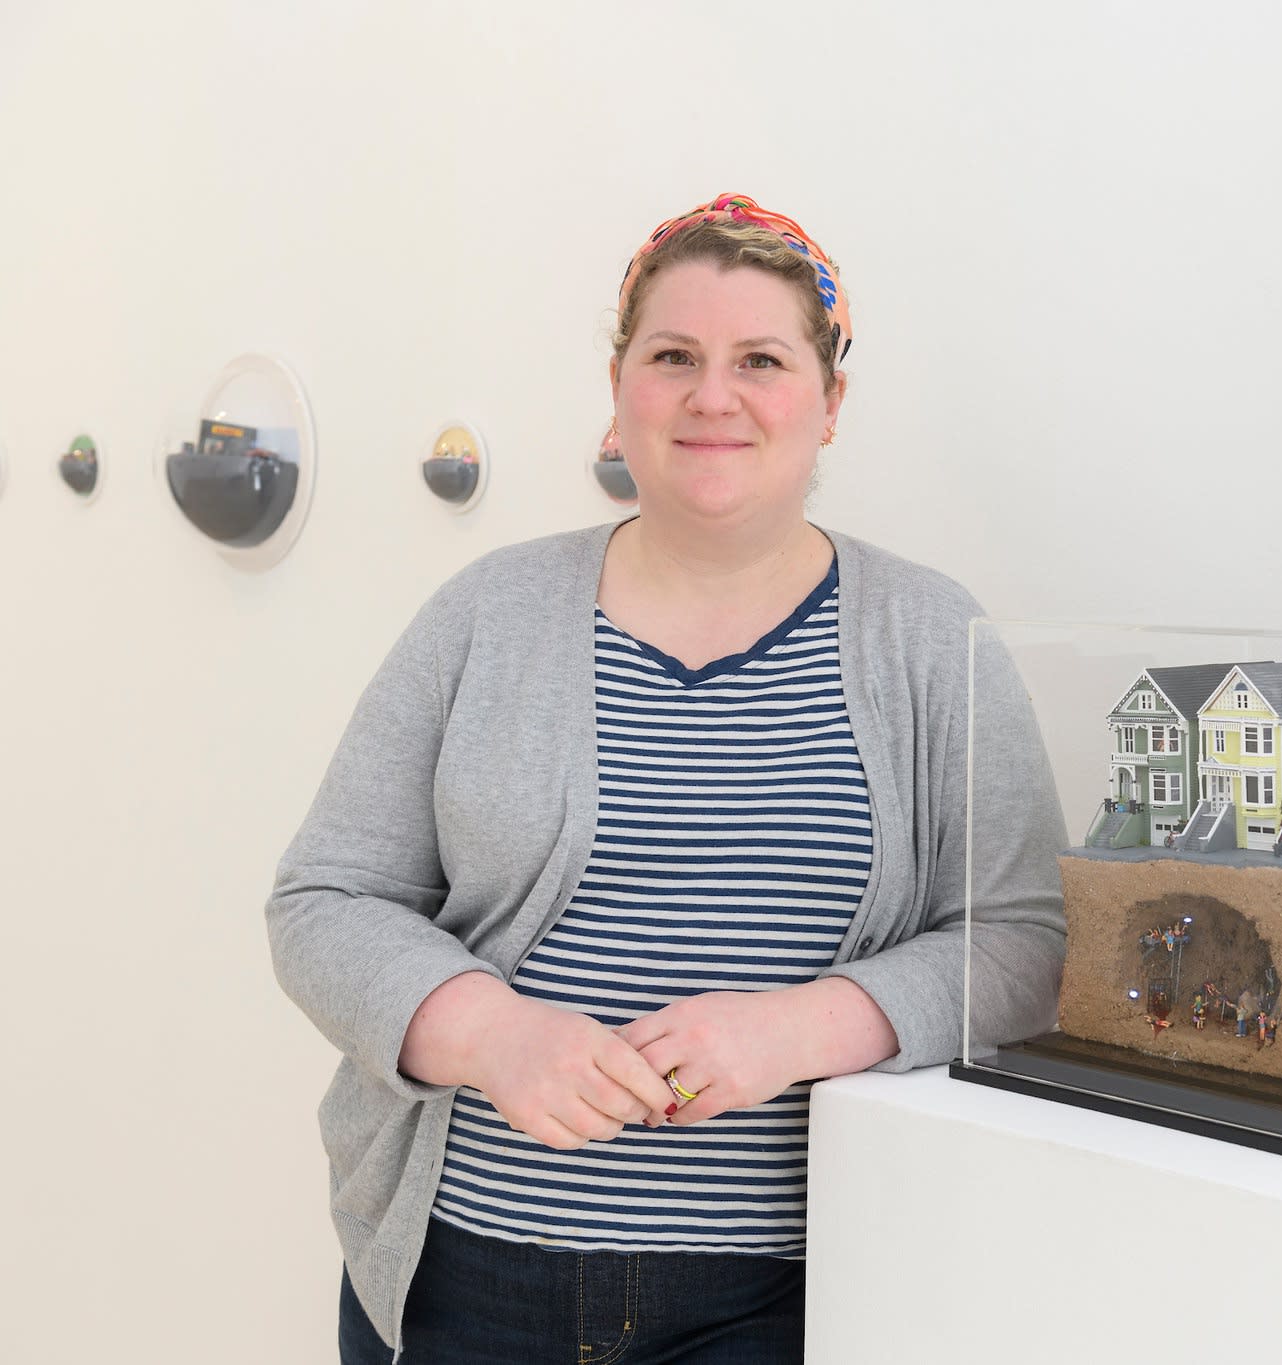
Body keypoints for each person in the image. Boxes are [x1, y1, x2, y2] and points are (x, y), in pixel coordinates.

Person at [267, 193, 1067, 1363]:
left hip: (789, 1295)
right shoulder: (484, 616)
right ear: (618, 386)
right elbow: (323, 902)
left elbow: (1025, 945)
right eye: (673, 357)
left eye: (761, 359)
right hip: (464, 1281)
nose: (712, 395)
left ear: (830, 399)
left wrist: (802, 1028)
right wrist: (487, 1033)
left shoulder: (930, 639)